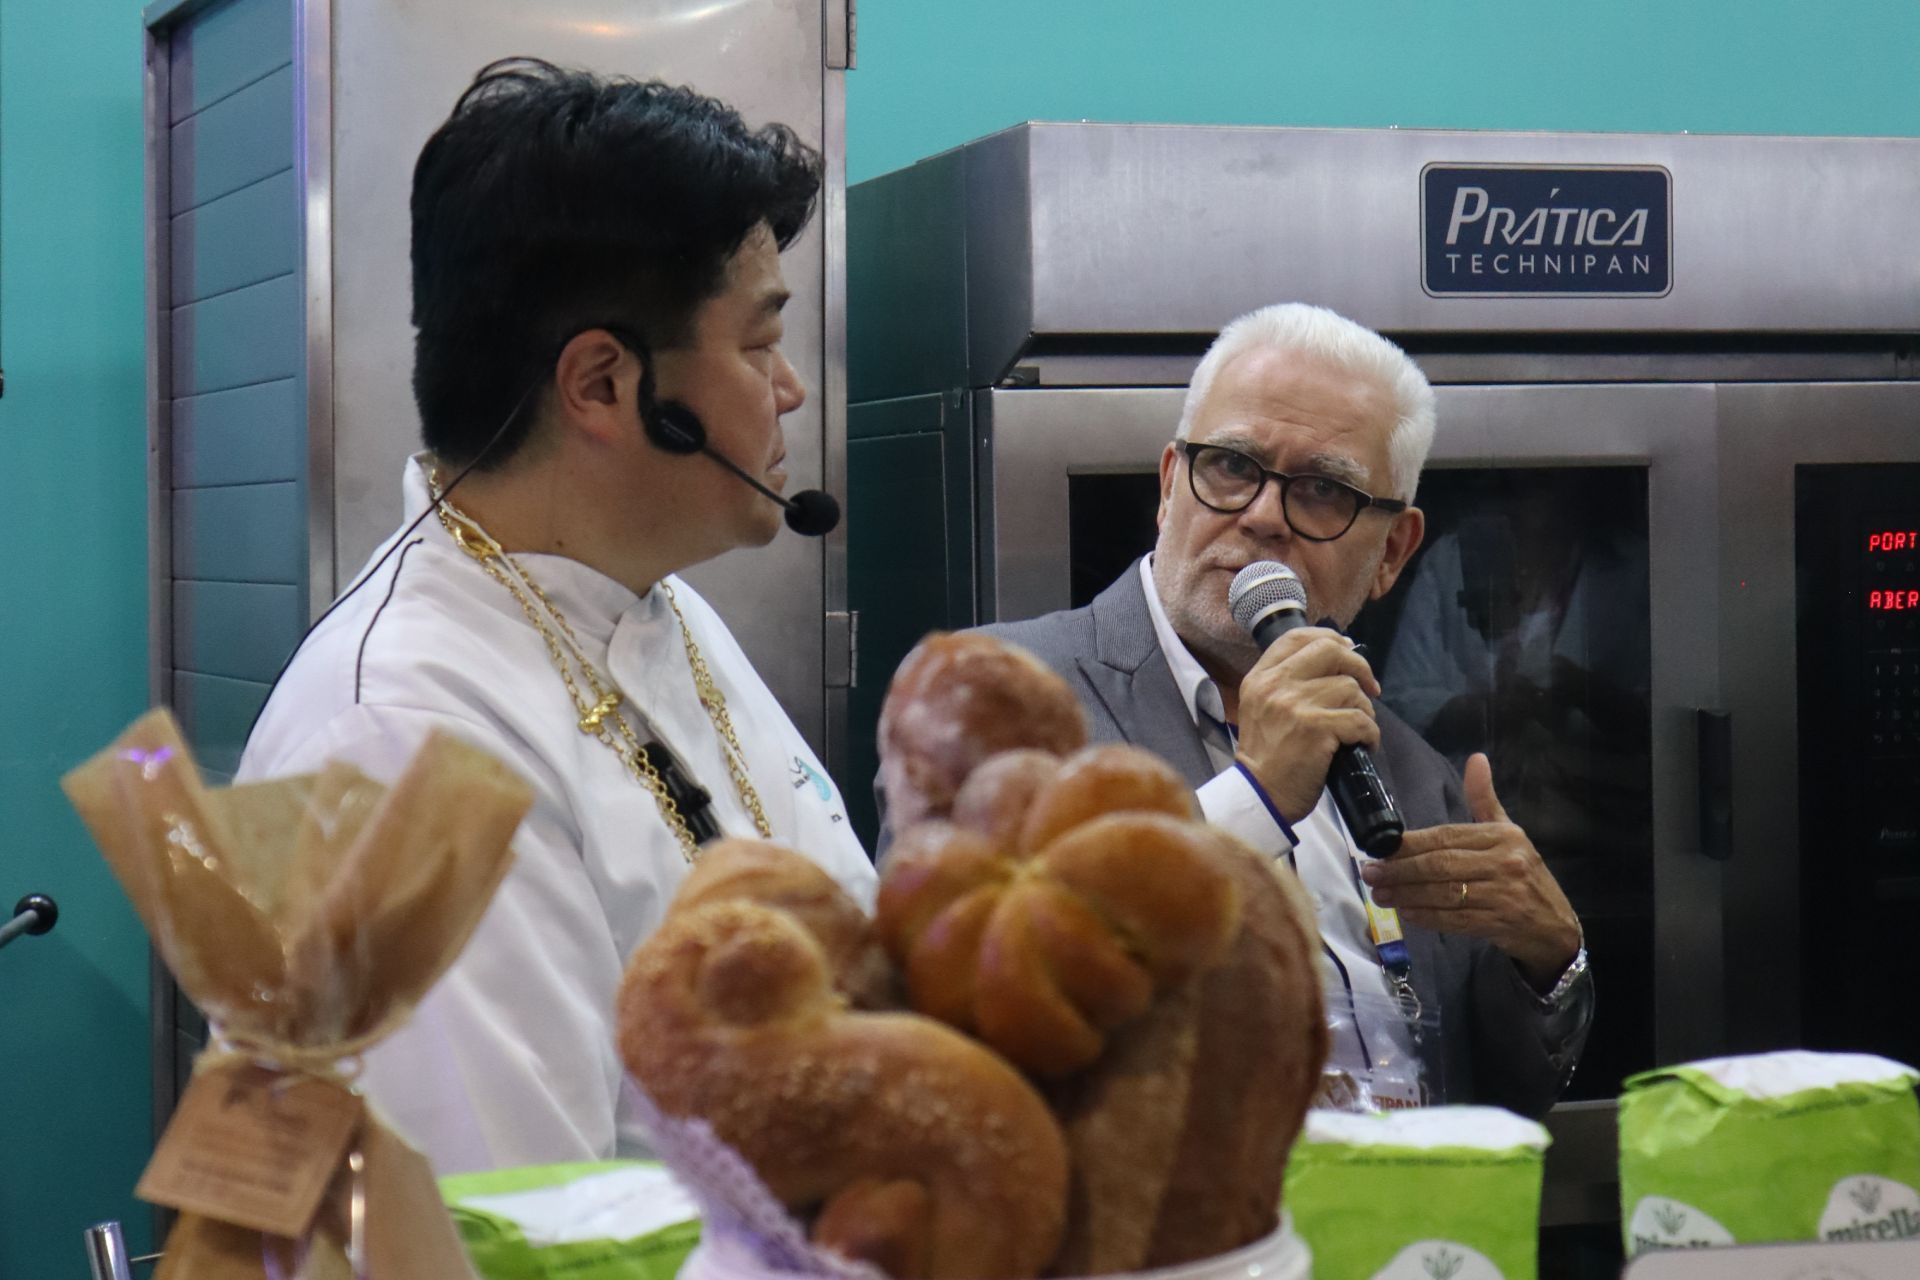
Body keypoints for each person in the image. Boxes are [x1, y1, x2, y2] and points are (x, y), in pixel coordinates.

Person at [240, 59, 874, 1172]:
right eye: (760, 343)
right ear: (600, 385)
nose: (790, 392)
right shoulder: (400, 747)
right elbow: (522, 1233)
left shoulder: (655, 606)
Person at [965, 303, 1591, 1117]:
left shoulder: (1408, 770)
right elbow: (976, 1023)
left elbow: (1504, 1093)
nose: (1260, 515)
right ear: (1168, 485)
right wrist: (1252, 799)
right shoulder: (997, 696)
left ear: (1392, 554)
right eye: (1231, 466)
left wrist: (1550, 962)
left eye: (1323, 490)